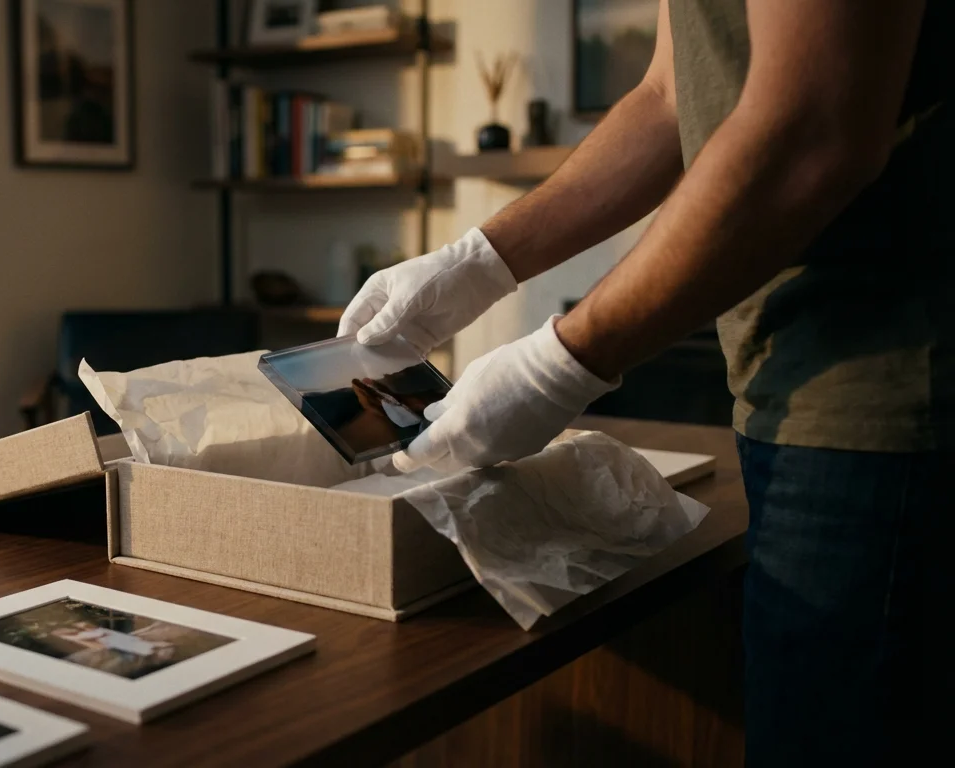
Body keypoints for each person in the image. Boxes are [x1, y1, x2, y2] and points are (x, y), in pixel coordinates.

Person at [338, 1, 950, 764]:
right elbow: (668, 94)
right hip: (784, 379)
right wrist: (478, 261)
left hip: (889, 392)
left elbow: (814, 124)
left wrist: (556, 362)